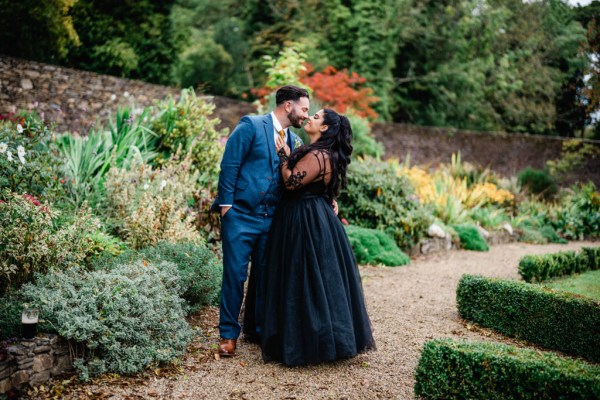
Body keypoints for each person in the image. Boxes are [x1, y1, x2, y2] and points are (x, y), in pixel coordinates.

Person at [260, 109, 375, 366]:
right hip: (311, 215)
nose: (310, 117)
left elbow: (291, 183)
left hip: (305, 220)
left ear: (324, 128)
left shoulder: (319, 154)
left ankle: (306, 343)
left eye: (316, 116)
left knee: (304, 279)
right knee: (311, 280)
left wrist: (283, 157)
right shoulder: (321, 153)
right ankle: (304, 337)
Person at [211, 85, 309, 357]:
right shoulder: (251, 125)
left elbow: (298, 178)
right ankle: (228, 335)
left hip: (272, 220)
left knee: (266, 277)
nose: (305, 115)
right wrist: (227, 207)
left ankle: (258, 330)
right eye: (304, 109)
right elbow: (230, 164)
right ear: (288, 106)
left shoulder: (295, 142)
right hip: (240, 217)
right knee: (234, 275)